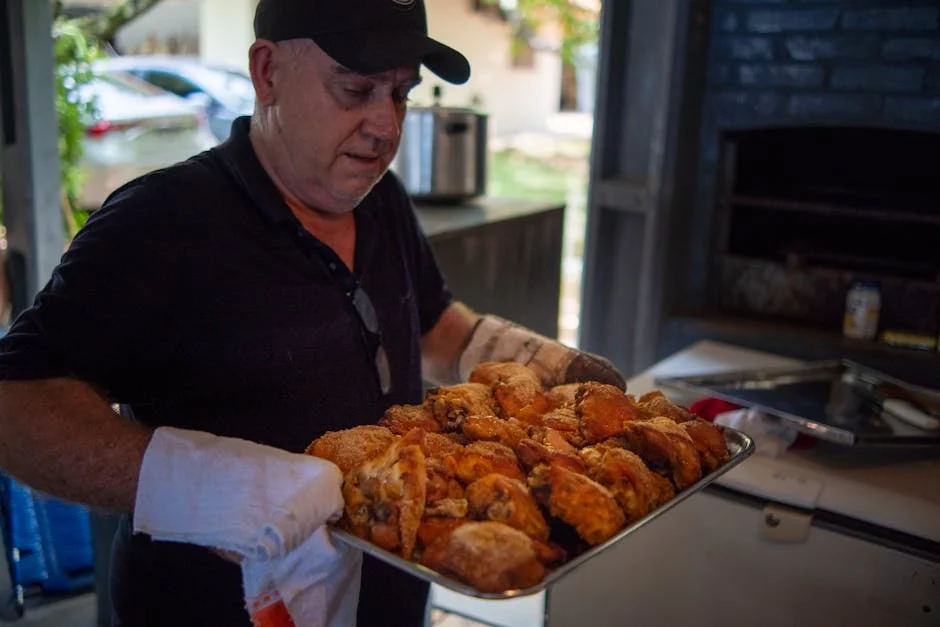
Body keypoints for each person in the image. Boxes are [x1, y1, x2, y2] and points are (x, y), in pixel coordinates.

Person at [0, 0, 624, 625]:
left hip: (390, 600)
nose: (385, 126)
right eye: (355, 88)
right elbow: (16, 406)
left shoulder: (380, 201)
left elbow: (432, 325)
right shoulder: (164, 222)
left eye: (400, 93)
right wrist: (213, 487)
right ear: (267, 71)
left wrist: (546, 361)